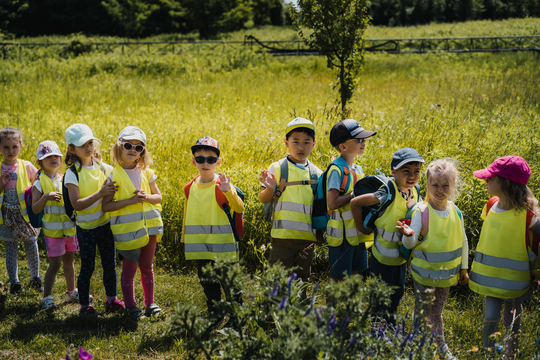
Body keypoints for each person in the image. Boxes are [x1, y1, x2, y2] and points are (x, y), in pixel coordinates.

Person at [396, 159, 469, 360]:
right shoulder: (422, 211)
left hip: (446, 276)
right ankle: (418, 347)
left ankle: (440, 346)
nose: (439, 190)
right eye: (435, 185)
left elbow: (463, 240)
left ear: (453, 186)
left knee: (436, 313)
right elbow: (409, 245)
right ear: (427, 184)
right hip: (424, 275)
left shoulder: (455, 211)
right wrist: (408, 235)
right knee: (422, 312)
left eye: (445, 185)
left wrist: (464, 268)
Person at [469, 156, 540, 357]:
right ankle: (488, 353)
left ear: (506, 183)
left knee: (513, 321)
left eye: (491, 177)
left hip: (515, 283)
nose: (486, 180)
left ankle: (510, 354)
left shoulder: (527, 216)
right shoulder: (491, 205)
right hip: (491, 279)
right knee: (490, 318)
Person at [350, 147, 424, 326]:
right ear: (394, 172)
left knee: (397, 293)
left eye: (416, 171)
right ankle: (377, 330)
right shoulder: (386, 193)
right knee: (380, 295)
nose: (412, 176)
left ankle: (389, 326)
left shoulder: (415, 191)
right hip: (382, 259)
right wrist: (361, 227)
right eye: (406, 171)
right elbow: (355, 202)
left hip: (401, 258)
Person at [182, 136, 244, 328]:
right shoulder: (189, 187)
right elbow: (187, 215)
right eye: (200, 159)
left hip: (223, 246)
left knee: (229, 284)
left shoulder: (223, 185)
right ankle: (215, 313)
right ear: (193, 161)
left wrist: (228, 191)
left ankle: (237, 317)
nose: (205, 163)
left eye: (210, 159)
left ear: (218, 162)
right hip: (201, 246)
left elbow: (239, 208)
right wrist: (184, 240)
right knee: (207, 282)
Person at [102, 126, 163, 318]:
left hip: (149, 228)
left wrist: (146, 197)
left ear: (142, 152)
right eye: (128, 145)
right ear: (119, 147)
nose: (132, 150)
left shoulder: (147, 173)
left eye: (138, 148)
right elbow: (106, 206)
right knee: (129, 268)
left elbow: (158, 198)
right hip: (128, 231)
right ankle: (131, 306)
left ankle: (150, 303)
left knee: (147, 266)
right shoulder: (113, 175)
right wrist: (129, 201)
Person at [63, 123, 124, 316]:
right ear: (71, 149)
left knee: (109, 264)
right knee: (87, 266)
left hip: (105, 225)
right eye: (83, 145)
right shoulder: (72, 174)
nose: (89, 147)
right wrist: (100, 193)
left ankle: (112, 300)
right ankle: (84, 307)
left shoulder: (103, 168)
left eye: (91, 143)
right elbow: (77, 204)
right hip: (86, 228)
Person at [259, 118, 323, 284]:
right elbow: (263, 199)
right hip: (282, 237)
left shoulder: (317, 173)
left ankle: (299, 309)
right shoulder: (278, 168)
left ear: (314, 143)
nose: (301, 147)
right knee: (277, 280)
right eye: (295, 141)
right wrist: (270, 189)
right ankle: (275, 309)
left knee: (302, 281)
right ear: (286, 143)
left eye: (306, 142)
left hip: (307, 239)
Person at [326, 119, 376, 283]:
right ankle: (332, 309)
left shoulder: (358, 170)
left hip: (357, 232)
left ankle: (351, 308)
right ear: (343, 146)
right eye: (358, 139)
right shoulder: (336, 169)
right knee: (338, 276)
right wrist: (355, 195)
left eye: (364, 139)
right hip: (341, 236)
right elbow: (332, 203)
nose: (363, 142)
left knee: (355, 274)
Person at [32, 141, 79, 310]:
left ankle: (71, 292)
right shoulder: (40, 182)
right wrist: (45, 197)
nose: (53, 159)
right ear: (39, 162)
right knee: (55, 264)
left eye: (56, 156)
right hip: (53, 233)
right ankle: (47, 296)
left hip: (70, 230)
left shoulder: (66, 178)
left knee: (69, 260)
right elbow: (35, 208)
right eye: (47, 156)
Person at [0, 127, 42, 294]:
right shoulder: (0, 168)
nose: (11, 151)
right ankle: (14, 281)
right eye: (6, 147)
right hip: (7, 216)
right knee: (11, 248)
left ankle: (35, 277)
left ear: (21, 146)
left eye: (14, 146)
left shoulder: (26, 166)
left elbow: (38, 183)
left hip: (25, 216)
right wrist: (2, 183)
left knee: (31, 243)